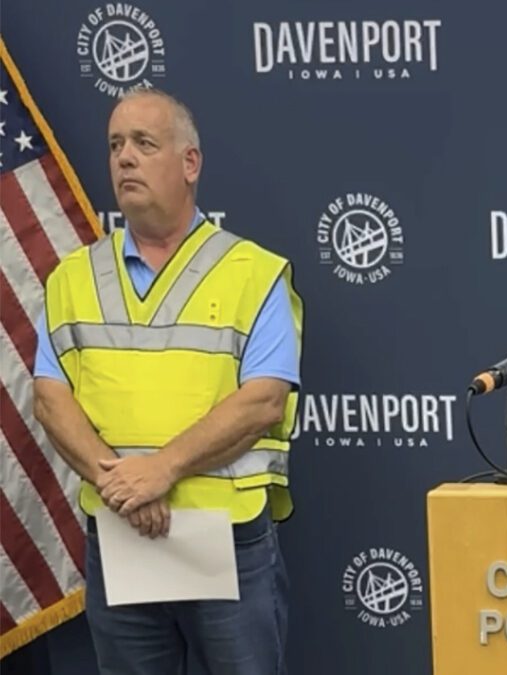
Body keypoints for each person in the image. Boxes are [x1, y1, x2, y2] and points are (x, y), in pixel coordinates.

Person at [33, 87, 303, 674]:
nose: (124, 157)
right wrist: (125, 486)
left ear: (190, 164)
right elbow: (51, 399)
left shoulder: (253, 273)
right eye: (115, 145)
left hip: (227, 544)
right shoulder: (71, 278)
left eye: (144, 143)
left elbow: (263, 399)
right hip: (122, 534)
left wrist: (161, 470)